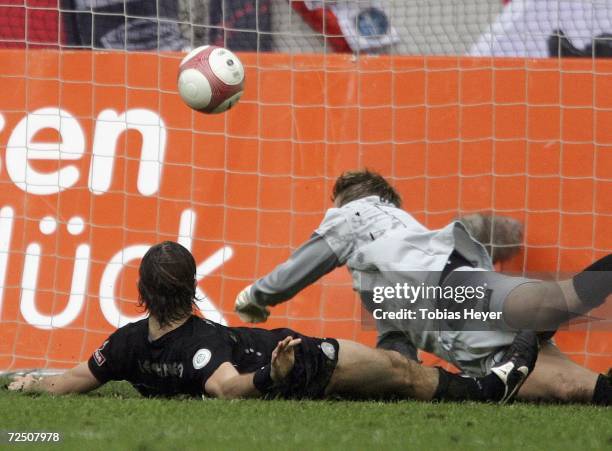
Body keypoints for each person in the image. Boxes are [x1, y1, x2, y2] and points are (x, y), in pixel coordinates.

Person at [234, 170, 612, 405]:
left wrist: (255, 297)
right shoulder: (376, 270)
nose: (329, 217)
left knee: (559, 302)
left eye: (334, 207)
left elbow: (297, 269)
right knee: (573, 388)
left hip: (460, 294)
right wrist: (397, 376)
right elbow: (396, 338)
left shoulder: (357, 212)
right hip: (476, 355)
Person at [8, 241, 536, 404]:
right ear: (192, 289)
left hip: (285, 368)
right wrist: (273, 375)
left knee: (392, 376)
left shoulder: (124, 344)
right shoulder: (205, 339)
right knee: (401, 374)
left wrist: (25, 382)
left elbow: (68, 382)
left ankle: (441, 364)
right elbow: (227, 389)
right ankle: (489, 389)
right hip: (295, 361)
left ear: (141, 293)